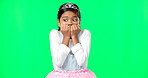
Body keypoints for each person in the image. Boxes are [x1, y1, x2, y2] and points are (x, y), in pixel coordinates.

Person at [46, 2, 97, 78]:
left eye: (74, 19)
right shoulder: (55, 34)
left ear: (79, 21)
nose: (70, 23)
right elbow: (58, 62)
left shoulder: (85, 34)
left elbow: (82, 62)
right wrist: (66, 37)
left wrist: (74, 36)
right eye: (65, 20)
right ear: (59, 22)